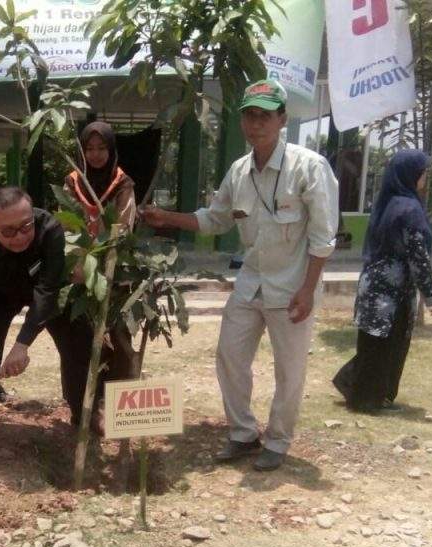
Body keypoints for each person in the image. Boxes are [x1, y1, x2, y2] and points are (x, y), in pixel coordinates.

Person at [142, 80, 339, 471]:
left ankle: (278, 440)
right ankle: (243, 433)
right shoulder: (239, 171)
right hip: (252, 283)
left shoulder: (309, 167)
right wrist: (167, 218)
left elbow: (322, 238)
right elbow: (215, 220)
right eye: (249, 115)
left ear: (282, 118)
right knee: (230, 355)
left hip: (293, 287)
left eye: (264, 115)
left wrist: (308, 289)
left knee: (290, 370)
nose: (255, 123)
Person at [0, 187, 103, 465]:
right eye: (8, 231)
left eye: (25, 227)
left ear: (33, 216)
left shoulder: (50, 229)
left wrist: (22, 345)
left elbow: (47, 290)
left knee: (79, 341)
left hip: (46, 290)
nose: (19, 236)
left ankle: (85, 413)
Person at [333, 150, 432, 412]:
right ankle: (367, 399)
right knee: (386, 347)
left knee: (373, 344)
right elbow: (418, 257)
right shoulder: (410, 209)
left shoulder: (388, 203)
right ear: (411, 174)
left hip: (373, 285)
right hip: (390, 294)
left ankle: (357, 387)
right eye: (423, 172)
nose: (425, 177)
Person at [65, 121, 140, 381]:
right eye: (90, 148)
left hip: (114, 269)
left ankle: (115, 402)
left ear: (111, 150)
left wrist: (106, 258)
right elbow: (67, 224)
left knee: (115, 334)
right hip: (79, 269)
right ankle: (81, 403)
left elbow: (124, 227)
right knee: (79, 337)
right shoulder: (73, 183)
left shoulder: (123, 184)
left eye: (102, 148)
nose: (95, 154)